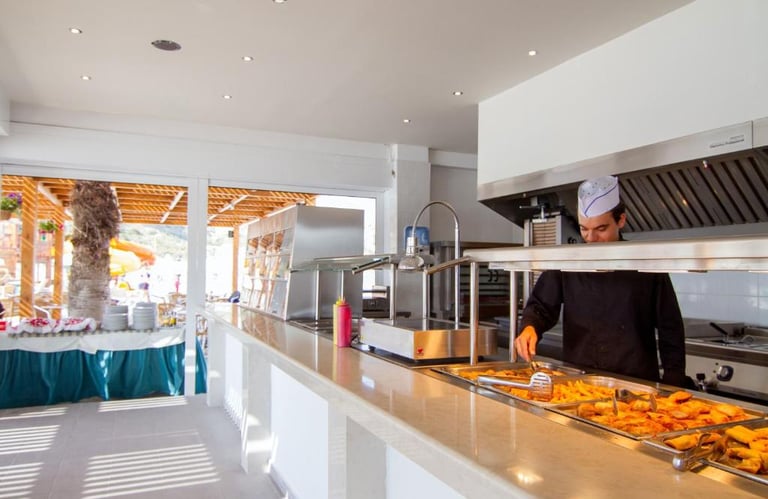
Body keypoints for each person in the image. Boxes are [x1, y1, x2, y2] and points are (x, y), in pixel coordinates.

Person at [514, 175, 688, 387]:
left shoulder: (646, 264)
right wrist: (530, 327)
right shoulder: (568, 263)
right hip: (579, 381)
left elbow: (670, 327)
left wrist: (673, 378)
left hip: (635, 383)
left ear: (621, 220)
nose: (591, 238)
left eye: (601, 229)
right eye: (584, 229)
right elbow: (541, 307)